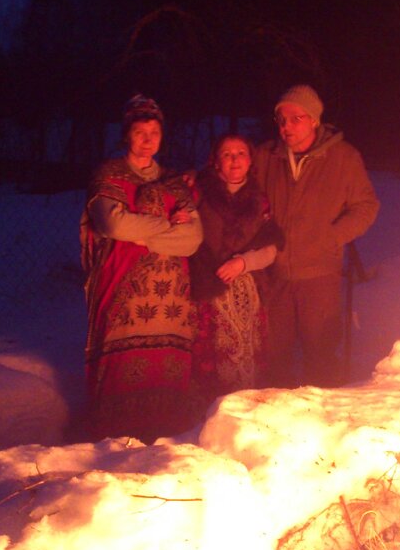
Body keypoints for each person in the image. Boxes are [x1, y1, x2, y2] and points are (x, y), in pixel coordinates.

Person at [79, 95, 203, 442]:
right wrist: (166, 225)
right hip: (122, 290)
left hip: (170, 301)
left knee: (167, 361)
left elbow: (192, 238)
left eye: (154, 132)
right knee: (120, 361)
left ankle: (164, 432)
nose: (148, 139)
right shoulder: (109, 175)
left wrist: (143, 232)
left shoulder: (174, 182)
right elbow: (113, 225)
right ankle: (114, 436)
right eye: (139, 132)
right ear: (126, 136)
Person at [254, 84, 379, 388]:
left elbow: (366, 206)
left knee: (321, 356)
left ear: (313, 120)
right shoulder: (267, 157)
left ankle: (323, 423)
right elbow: (234, 178)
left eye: (295, 119)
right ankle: (273, 423)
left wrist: (332, 237)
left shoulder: (342, 158)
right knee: (274, 358)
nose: (286, 127)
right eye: (281, 120)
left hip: (320, 275)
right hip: (275, 274)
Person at [189, 134, 282, 402]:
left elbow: (271, 248)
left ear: (250, 160)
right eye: (227, 154)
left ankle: (242, 414)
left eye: (240, 153)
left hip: (247, 295)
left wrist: (243, 263)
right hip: (208, 291)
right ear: (216, 162)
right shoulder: (198, 193)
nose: (234, 160)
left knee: (247, 361)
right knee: (209, 361)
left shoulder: (259, 200)